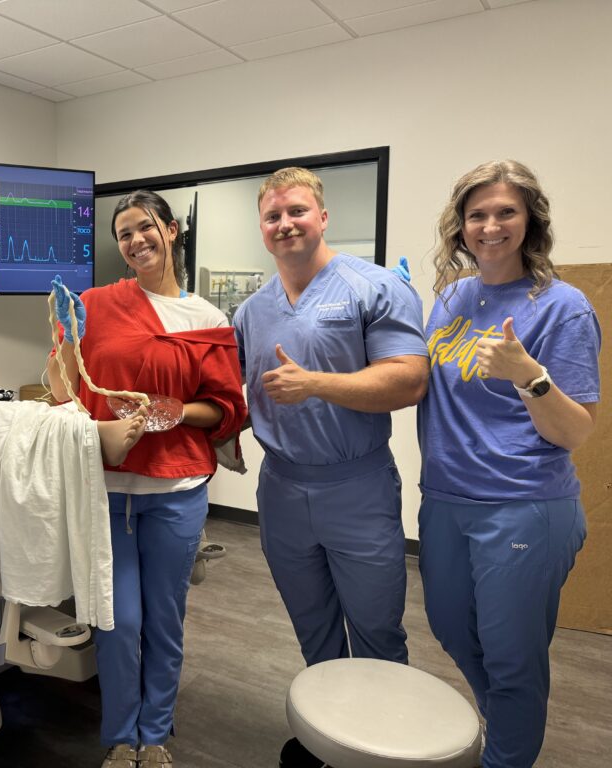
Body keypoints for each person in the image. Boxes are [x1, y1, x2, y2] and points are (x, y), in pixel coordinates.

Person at [231, 167, 428, 767]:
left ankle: (382, 746)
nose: (284, 224)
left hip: (356, 487)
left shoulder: (373, 288)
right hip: (283, 488)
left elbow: (410, 379)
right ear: (262, 229)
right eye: (272, 216)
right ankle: (331, 737)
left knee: (375, 632)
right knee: (313, 625)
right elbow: (246, 393)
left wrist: (315, 384)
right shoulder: (252, 311)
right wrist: (213, 433)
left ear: (322, 216)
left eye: (296, 211)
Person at [48, 190, 248, 768]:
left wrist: (177, 411)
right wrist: (61, 333)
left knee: (164, 617)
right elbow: (66, 389)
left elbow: (226, 408)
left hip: (175, 491)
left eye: (146, 228)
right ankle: (118, 736)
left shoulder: (206, 318)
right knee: (118, 620)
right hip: (105, 490)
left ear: (171, 231)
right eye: (124, 234)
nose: (136, 241)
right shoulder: (93, 304)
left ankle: (154, 733)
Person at [418, 160, 600, 768]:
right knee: (448, 627)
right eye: (477, 214)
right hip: (446, 498)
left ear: (530, 221)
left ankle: (506, 752)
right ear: (460, 225)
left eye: (506, 212)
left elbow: (576, 432)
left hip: (522, 505)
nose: (490, 226)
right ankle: (503, 724)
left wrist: (531, 377)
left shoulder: (562, 307)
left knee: (512, 657)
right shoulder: (451, 298)